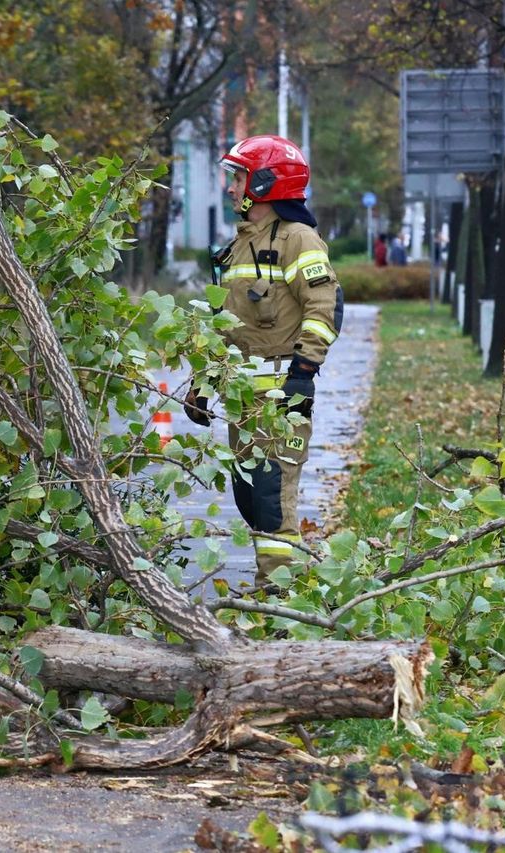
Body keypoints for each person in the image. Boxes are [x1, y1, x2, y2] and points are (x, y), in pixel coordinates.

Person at [183, 134, 343, 587]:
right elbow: (221, 323)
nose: (231, 188)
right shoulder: (238, 248)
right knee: (249, 497)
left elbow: (322, 308)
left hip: (282, 398)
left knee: (273, 499)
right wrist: (201, 382)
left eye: (239, 178)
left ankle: (281, 597)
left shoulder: (299, 240)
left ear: (266, 182)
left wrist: (304, 374)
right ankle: (274, 585)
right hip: (242, 402)